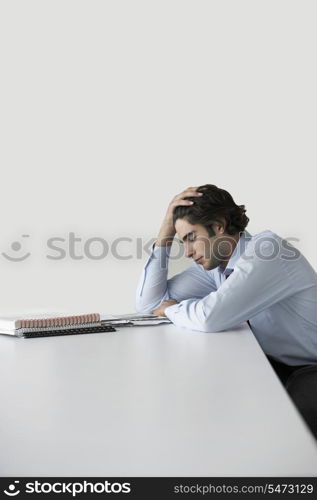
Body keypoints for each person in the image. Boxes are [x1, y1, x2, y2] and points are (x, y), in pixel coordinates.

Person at [135, 184, 317, 436]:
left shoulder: (268, 250)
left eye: (190, 238)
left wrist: (173, 310)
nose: (187, 252)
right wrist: (165, 231)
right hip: (276, 364)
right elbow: (150, 304)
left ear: (219, 226)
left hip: (311, 369)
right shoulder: (216, 267)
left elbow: (211, 317)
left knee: (284, 430)